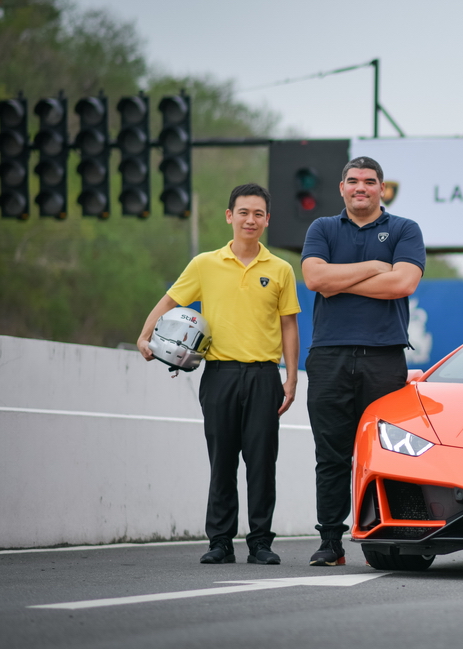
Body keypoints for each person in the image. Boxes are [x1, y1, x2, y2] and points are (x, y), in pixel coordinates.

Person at [137, 183, 300, 565]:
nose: (250, 219)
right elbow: (169, 301)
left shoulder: (280, 270)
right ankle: (220, 542)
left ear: (267, 220)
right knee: (222, 460)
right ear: (230, 216)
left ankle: (260, 542)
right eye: (243, 212)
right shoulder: (204, 264)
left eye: (258, 214)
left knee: (261, 462)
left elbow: (289, 326)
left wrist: (290, 378)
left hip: (264, 376)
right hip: (220, 375)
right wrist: (145, 335)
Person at [300, 156, 425, 566]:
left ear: (381, 189)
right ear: (341, 188)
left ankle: (394, 535)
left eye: (369, 182)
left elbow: (402, 283)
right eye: (352, 181)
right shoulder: (322, 228)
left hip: (384, 357)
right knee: (331, 454)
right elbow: (316, 280)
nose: (361, 188)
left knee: (392, 452)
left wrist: (342, 279)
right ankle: (330, 542)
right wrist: (374, 267)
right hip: (328, 355)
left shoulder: (405, 229)